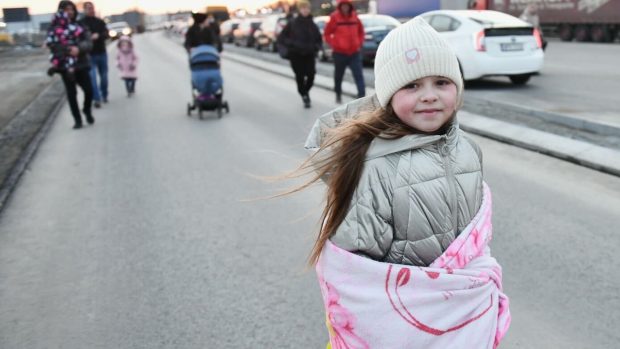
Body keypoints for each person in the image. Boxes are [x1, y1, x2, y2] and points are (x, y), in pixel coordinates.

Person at [299, 17, 510, 348]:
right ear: (388, 94)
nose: (429, 96)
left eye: (442, 82)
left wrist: (476, 278)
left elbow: (475, 236)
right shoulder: (375, 166)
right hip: (405, 324)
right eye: (411, 86)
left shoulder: (468, 149)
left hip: (459, 315)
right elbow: (358, 268)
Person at [46, 0, 94, 129]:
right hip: (65, 67)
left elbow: (88, 43)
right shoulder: (55, 28)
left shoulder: (80, 26)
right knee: (71, 94)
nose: (70, 12)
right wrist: (67, 50)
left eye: (71, 9)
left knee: (89, 91)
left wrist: (79, 49)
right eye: (67, 10)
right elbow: (53, 46)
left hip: (81, 63)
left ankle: (87, 109)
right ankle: (77, 120)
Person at [277, 0, 322, 108]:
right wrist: (292, 44)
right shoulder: (293, 23)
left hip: (309, 54)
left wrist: (316, 47)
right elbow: (282, 38)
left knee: (311, 76)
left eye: (307, 8)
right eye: (303, 8)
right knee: (300, 76)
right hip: (296, 55)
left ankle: (305, 92)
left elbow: (318, 39)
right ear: (299, 9)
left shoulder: (312, 24)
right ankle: (305, 96)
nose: (305, 10)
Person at [323, 0, 365, 103]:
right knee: (339, 75)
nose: (345, 7)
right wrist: (335, 44)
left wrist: (359, 43)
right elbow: (327, 34)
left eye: (347, 5)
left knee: (358, 75)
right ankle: (338, 94)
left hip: (354, 52)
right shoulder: (334, 17)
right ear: (340, 6)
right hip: (339, 53)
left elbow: (361, 31)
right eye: (343, 5)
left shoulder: (355, 16)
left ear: (350, 6)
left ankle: (362, 97)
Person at [80, 1, 109, 108]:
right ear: (84, 10)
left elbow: (106, 34)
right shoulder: (81, 23)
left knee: (104, 76)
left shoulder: (100, 22)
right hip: (89, 55)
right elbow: (79, 38)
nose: (90, 10)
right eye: (87, 8)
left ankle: (104, 94)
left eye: (91, 7)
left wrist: (99, 36)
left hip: (101, 51)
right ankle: (96, 98)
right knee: (92, 78)